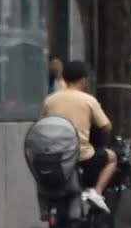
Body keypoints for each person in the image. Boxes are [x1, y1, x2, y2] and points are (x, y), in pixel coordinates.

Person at [39, 60, 117, 213]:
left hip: (54, 157)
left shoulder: (50, 100)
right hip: (81, 156)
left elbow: (41, 124)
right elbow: (106, 126)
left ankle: (46, 211)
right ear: (83, 80)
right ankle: (97, 192)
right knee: (112, 157)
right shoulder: (89, 100)